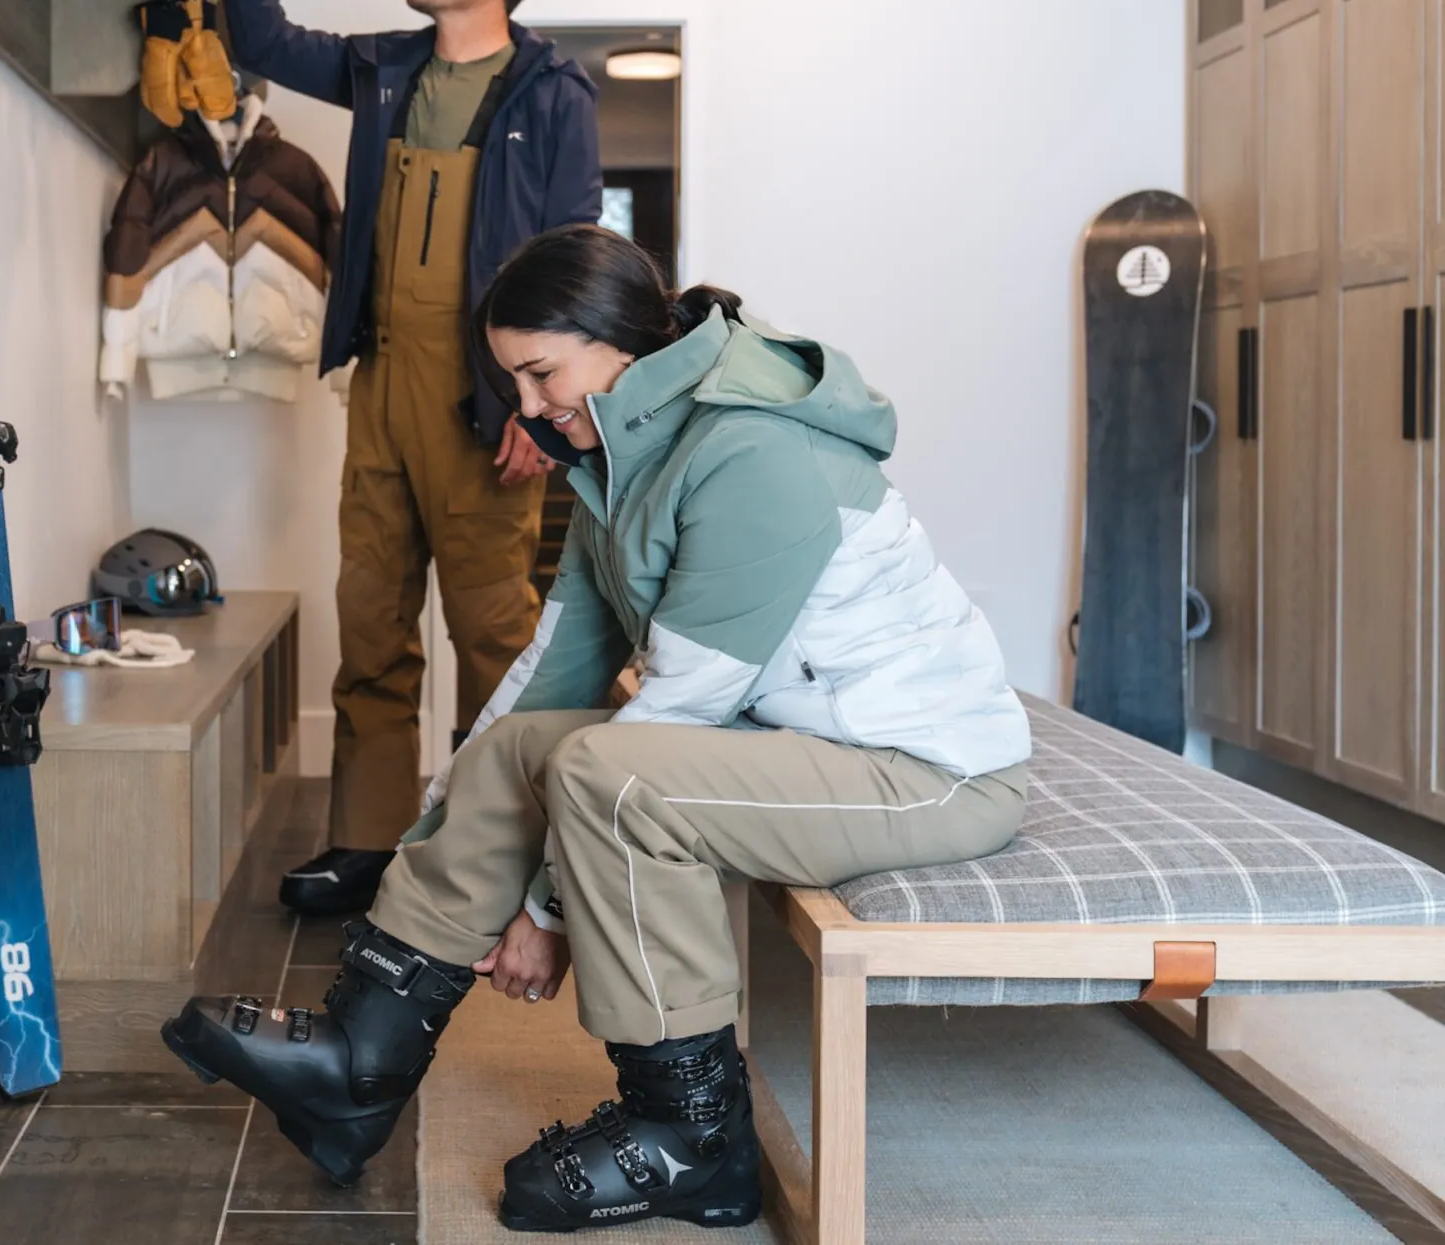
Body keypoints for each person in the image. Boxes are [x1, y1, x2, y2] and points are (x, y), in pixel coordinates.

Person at [162, 225, 1034, 1232]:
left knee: (608, 772)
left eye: (539, 375)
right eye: (513, 384)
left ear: (617, 341)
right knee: (520, 750)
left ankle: (693, 1140)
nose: (527, 409)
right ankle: (356, 1065)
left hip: (925, 769)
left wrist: (543, 908)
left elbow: (682, 702)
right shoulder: (621, 453)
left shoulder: (753, 450)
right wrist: (446, 809)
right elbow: (553, 665)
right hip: (800, 738)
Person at [215, 0, 605, 916]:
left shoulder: (551, 92)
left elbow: (569, 264)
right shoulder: (383, 67)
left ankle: (487, 858)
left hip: (485, 412)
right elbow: (254, 31)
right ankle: (364, 844)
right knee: (371, 626)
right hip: (382, 386)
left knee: (491, 637)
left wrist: (542, 419)